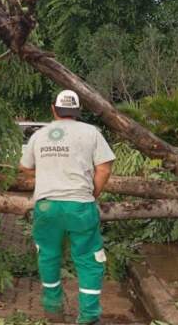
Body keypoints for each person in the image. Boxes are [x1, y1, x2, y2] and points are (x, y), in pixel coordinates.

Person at [19, 90, 115, 325]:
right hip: (80, 207)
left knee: (49, 255)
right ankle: (89, 317)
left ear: (54, 109)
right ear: (78, 111)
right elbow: (104, 168)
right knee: (88, 259)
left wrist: (50, 173)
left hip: (46, 207)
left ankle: (53, 310)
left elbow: (24, 167)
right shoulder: (91, 133)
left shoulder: (40, 135)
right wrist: (91, 194)